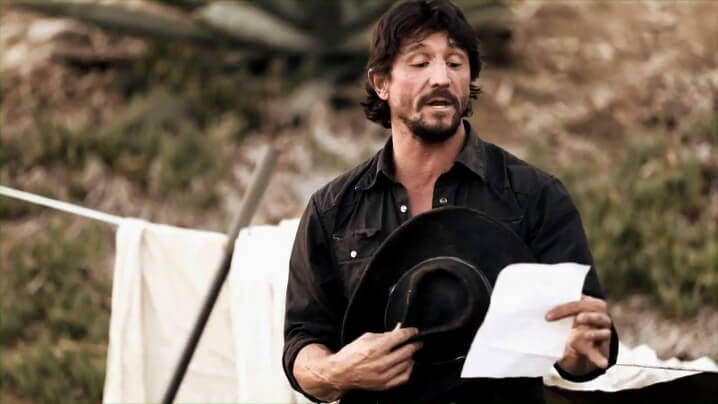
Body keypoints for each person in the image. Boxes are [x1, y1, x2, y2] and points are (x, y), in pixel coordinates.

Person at [283, 1, 618, 403]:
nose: (441, 78)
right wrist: (338, 370)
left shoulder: (535, 196)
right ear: (381, 83)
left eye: (455, 63)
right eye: (420, 62)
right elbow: (302, 342)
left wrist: (580, 348)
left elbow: (583, 352)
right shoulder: (333, 209)